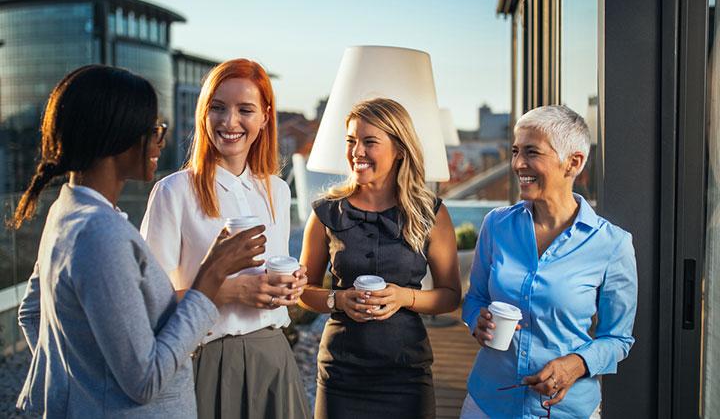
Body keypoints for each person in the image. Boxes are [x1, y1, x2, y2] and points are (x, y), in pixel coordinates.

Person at [13, 65, 266, 418]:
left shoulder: (67, 210)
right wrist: (212, 274)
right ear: (118, 138)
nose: (160, 139)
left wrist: (81, 386)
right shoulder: (102, 236)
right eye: (153, 129)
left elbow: (32, 313)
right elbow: (145, 380)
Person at [140, 58, 310, 419]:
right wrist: (232, 291)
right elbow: (147, 304)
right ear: (204, 114)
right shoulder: (173, 192)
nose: (229, 122)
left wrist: (292, 286)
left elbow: (272, 275)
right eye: (217, 108)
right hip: (208, 361)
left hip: (275, 357)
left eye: (244, 110)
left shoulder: (277, 191)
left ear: (265, 117)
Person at [461, 105, 638, 418]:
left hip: (565, 410)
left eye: (531, 152)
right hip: (489, 402)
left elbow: (618, 339)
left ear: (573, 162)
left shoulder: (612, 245)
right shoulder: (496, 226)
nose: (518, 164)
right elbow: (475, 298)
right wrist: (478, 321)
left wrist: (577, 364)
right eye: (515, 151)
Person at [299, 97, 461, 419]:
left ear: (399, 149)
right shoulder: (325, 213)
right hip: (340, 373)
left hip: (406, 373)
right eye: (351, 141)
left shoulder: (430, 213)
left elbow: (450, 296)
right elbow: (303, 292)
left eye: (369, 142)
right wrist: (339, 300)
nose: (357, 152)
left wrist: (405, 297)